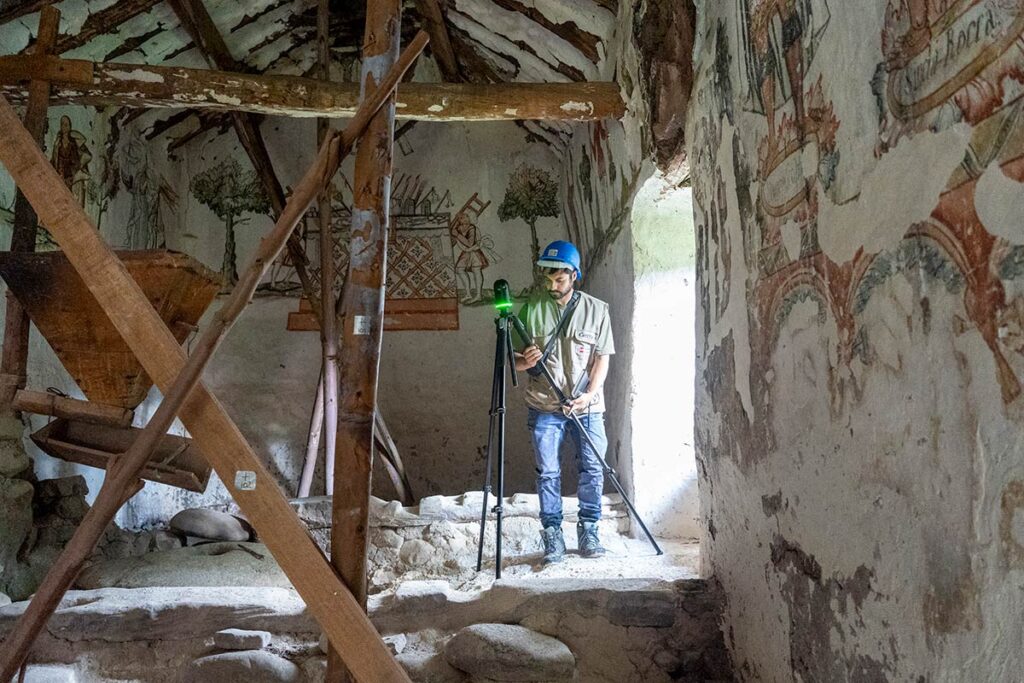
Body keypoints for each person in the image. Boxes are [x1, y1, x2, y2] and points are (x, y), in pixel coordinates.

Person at [513, 240, 614, 564]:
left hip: (587, 406)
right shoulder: (530, 309)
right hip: (545, 405)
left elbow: (602, 359)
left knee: (593, 468)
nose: (551, 285)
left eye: (559, 279)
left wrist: (588, 396)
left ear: (574, 276)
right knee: (548, 473)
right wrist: (525, 361)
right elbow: (511, 360)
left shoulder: (597, 310)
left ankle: (589, 531)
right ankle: (552, 536)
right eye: (547, 278)